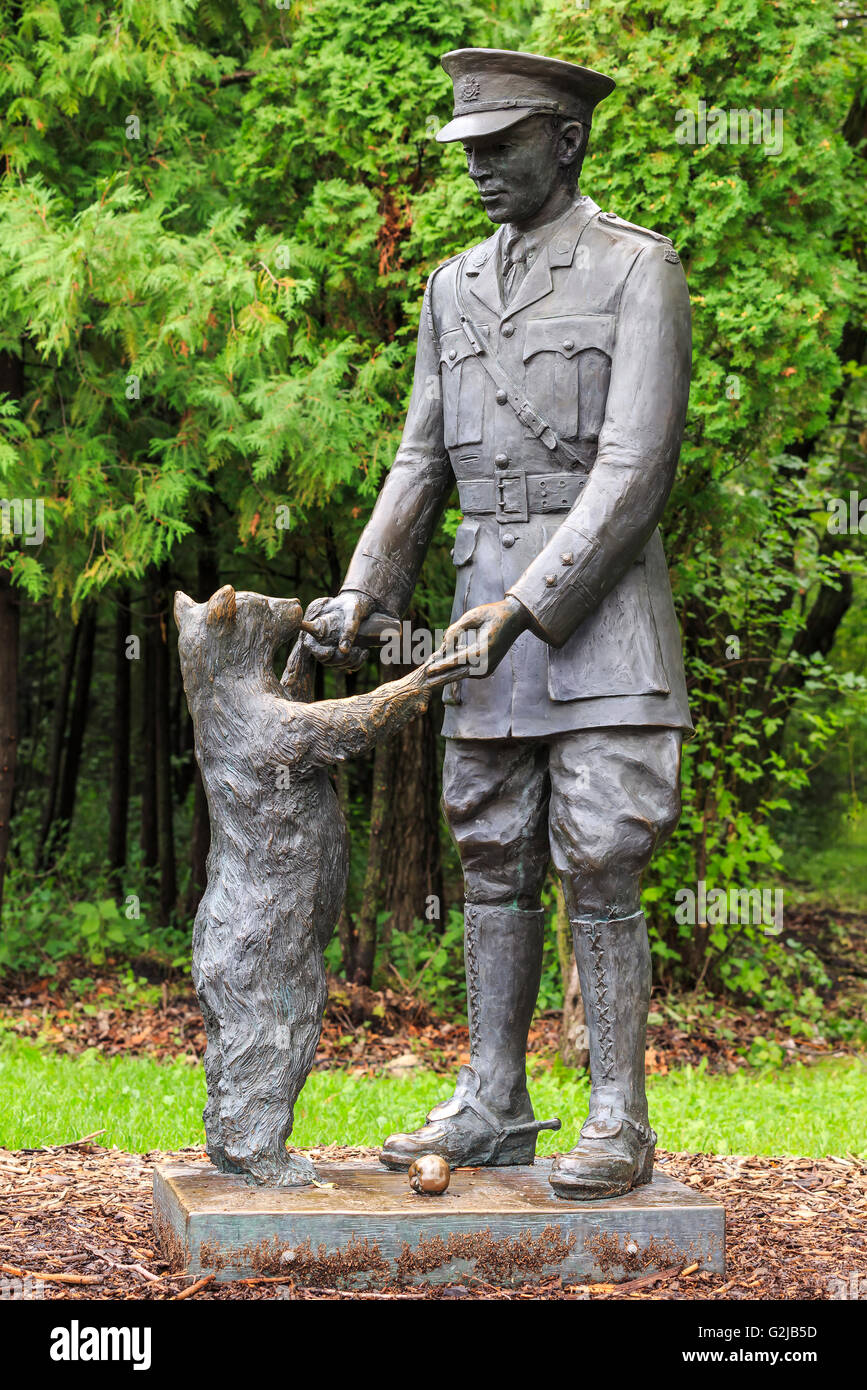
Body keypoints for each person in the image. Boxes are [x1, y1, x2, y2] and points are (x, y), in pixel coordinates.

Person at [305, 48, 693, 1199]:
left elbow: (635, 470)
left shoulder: (637, 271)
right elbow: (419, 460)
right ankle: (493, 1095)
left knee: (604, 854)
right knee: (491, 856)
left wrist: (527, 607)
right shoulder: (451, 288)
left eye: (499, 146)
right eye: (465, 151)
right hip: (484, 634)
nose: (475, 169)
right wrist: (366, 589)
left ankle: (618, 1116)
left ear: (566, 141)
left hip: (598, 620)